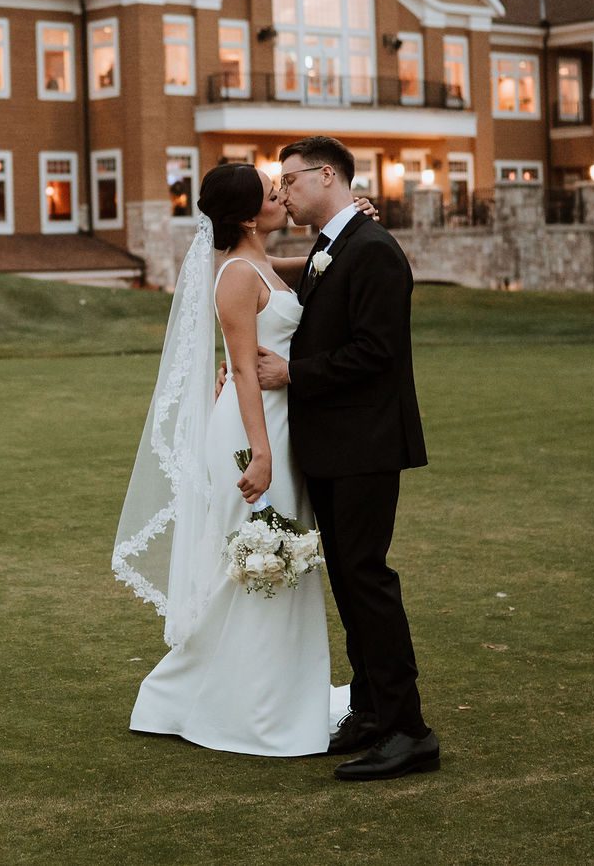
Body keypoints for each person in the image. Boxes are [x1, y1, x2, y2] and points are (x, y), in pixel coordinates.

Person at [112, 162, 345, 756]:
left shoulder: (257, 263)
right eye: (274, 195)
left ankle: (280, 689)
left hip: (278, 425)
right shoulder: (238, 275)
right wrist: (261, 454)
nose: (283, 200)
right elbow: (243, 369)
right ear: (247, 216)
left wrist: (343, 230)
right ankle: (210, 697)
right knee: (254, 556)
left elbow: (299, 270)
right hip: (253, 431)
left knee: (275, 556)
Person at [256, 135, 438, 782]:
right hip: (333, 447)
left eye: (290, 180)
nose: (282, 192)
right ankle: (368, 713)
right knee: (350, 585)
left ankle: (409, 730)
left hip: (366, 445)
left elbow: (376, 353)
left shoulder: (375, 252)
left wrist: (292, 374)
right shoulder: (333, 245)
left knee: (368, 581)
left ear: (326, 174)